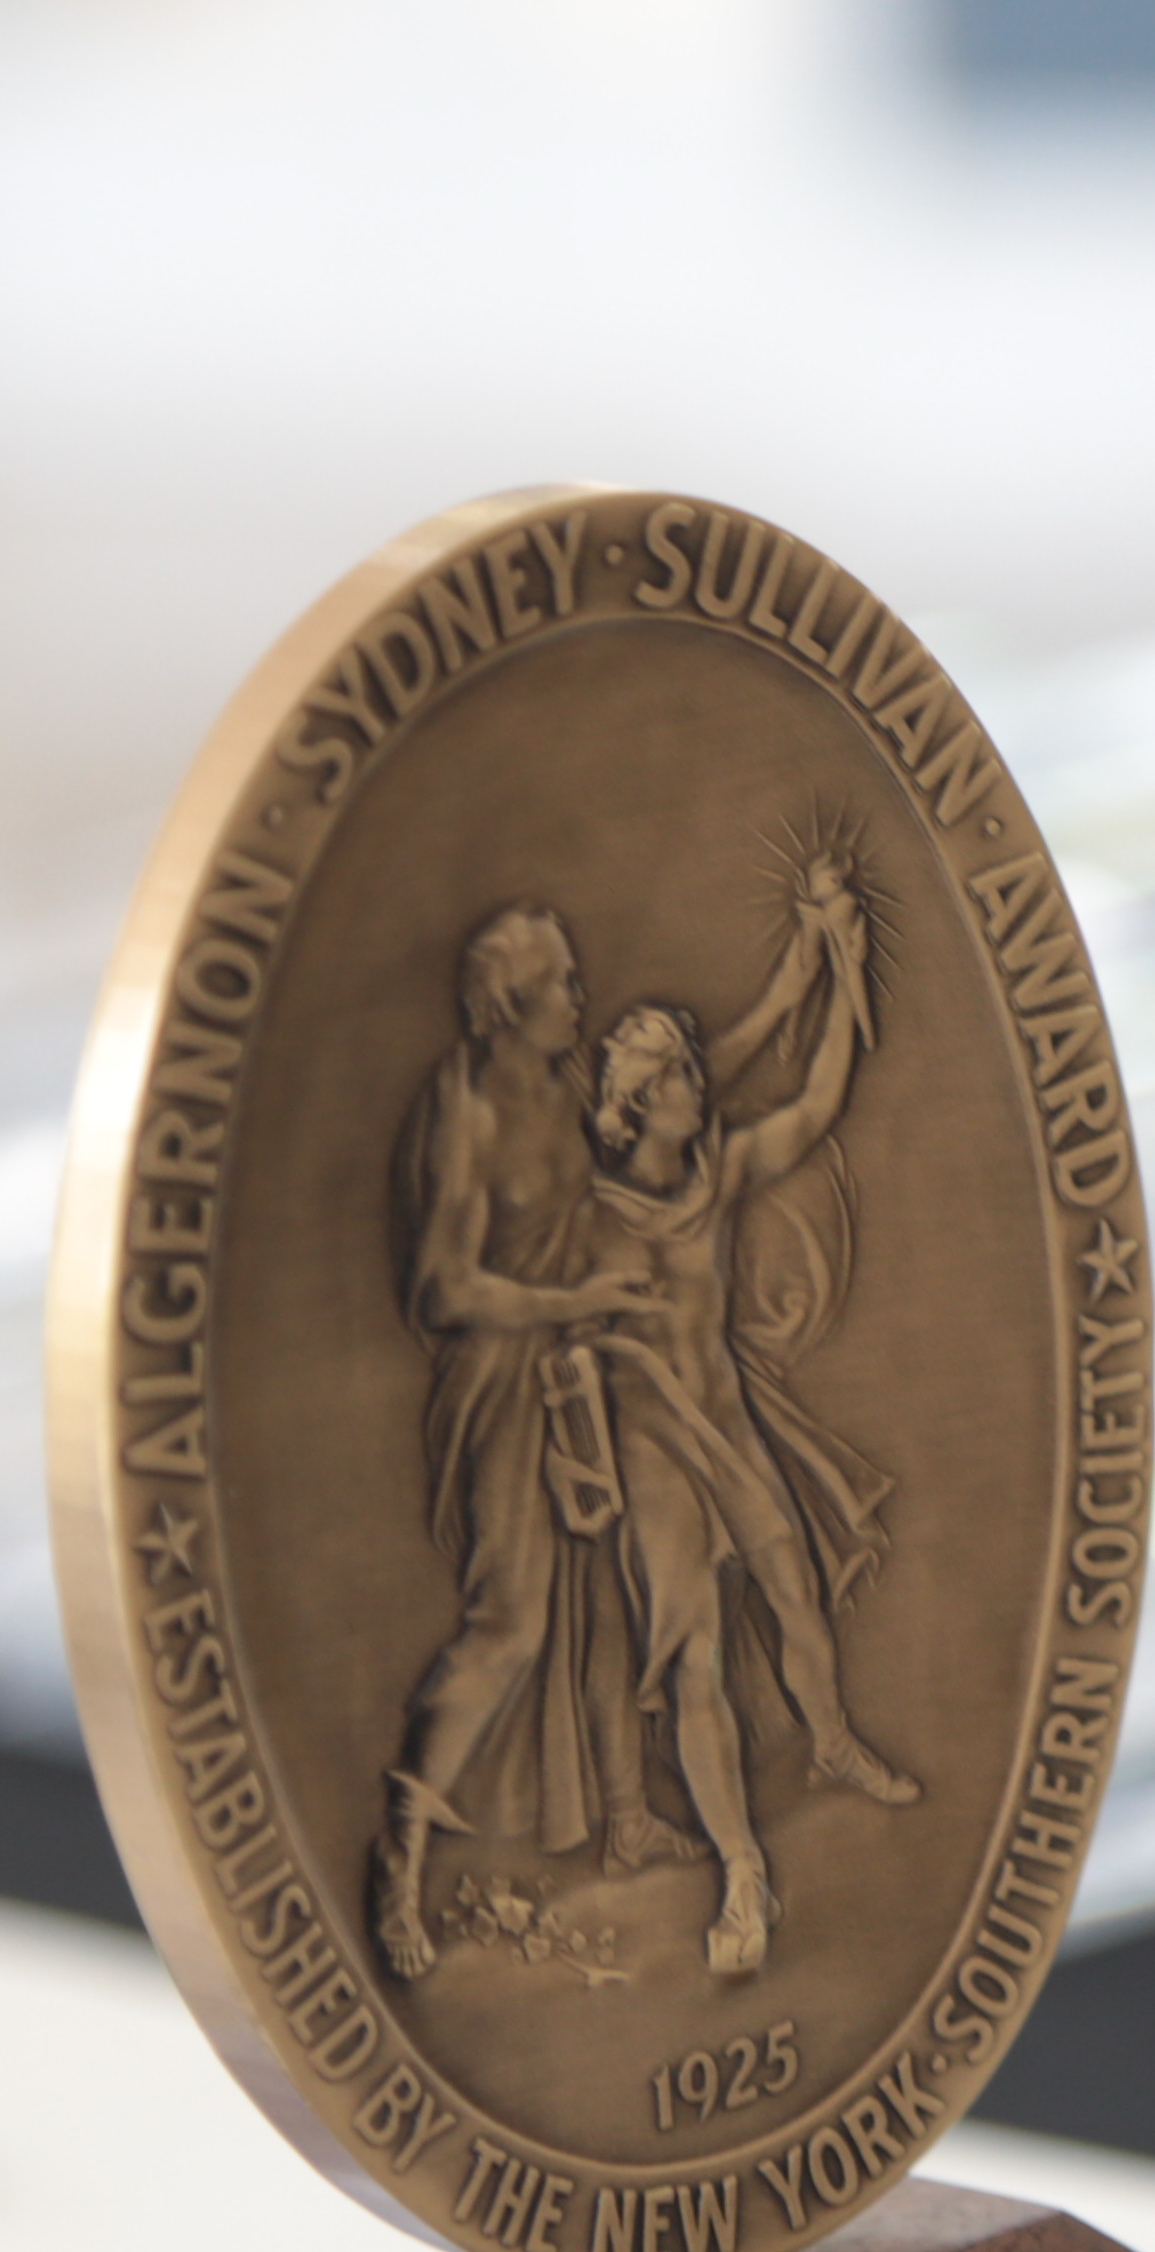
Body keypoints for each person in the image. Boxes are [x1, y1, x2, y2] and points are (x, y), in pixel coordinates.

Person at [570, 841, 915, 1980]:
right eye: (674, 1079)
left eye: (688, 1073)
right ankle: (743, 1876)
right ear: (638, 1100)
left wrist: (835, 957)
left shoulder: (715, 1176)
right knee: (698, 1664)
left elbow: (817, 1099)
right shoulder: (596, 1215)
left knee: (798, 1595)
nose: (695, 1088)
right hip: (654, 1453)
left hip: (733, 1431)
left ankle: (832, 1744)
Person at [370, 902, 664, 1978]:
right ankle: (401, 1860)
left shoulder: (569, 1080)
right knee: (510, 1624)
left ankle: (624, 1824)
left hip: (590, 1368)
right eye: (563, 989)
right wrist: (571, 1298)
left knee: (637, 1589)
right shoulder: (465, 1115)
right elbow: (444, 1287)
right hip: (502, 1382)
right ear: (507, 1006)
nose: (581, 1001)